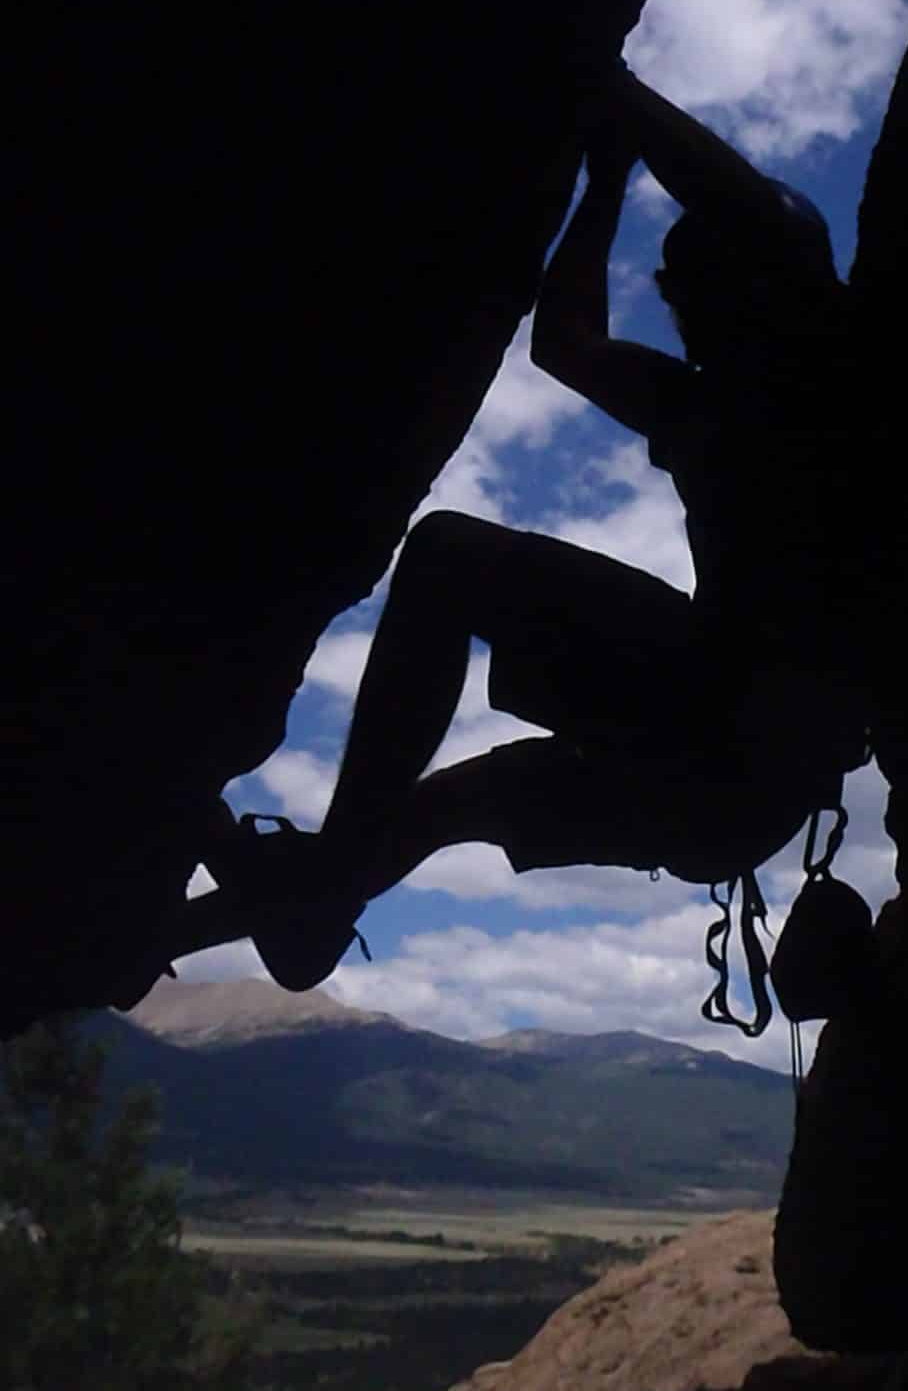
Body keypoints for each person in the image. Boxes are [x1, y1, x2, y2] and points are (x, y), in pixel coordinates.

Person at [187, 69, 870, 991]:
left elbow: (756, 220)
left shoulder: (826, 368)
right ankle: (230, 931)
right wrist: (604, 183)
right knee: (451, 805)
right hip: (731, 777)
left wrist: (606, 87)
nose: (689, 327)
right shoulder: (709, 402)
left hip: (733, 726)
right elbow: (566, 345)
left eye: (697, 302)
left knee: (449, 559)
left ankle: (319, 884)